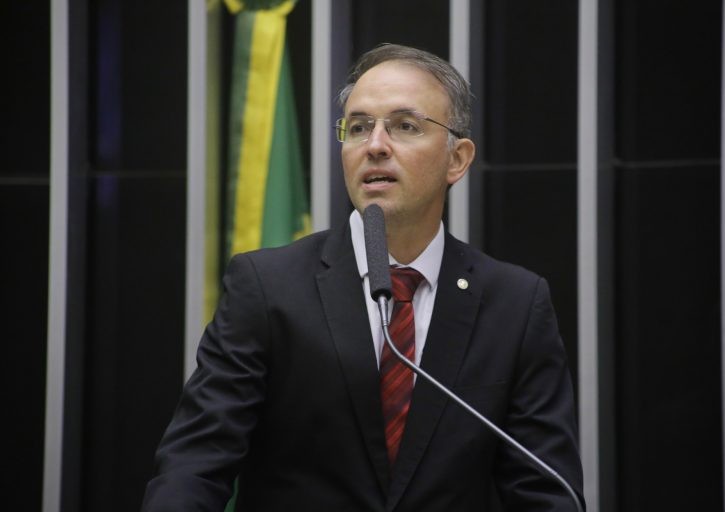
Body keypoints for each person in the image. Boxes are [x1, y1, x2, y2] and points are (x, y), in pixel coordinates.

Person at [142, 43, 584, 511]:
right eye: (358, 128)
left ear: (457, 159)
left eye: (405, 126)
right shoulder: (267, 287)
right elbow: (195, 465)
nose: (375, 145)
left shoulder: (515, 304)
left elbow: (544, 490)